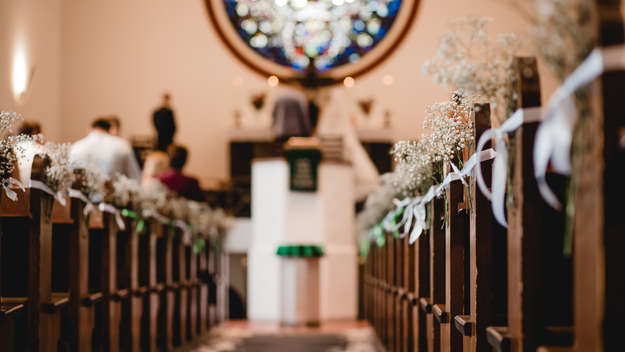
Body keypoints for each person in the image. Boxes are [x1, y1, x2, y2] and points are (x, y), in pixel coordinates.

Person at [70, 118, 142, 180]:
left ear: (89, 129)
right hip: (113, 194)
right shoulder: (121, 145)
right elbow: (134, 177)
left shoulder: (76, 147)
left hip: (82, 194)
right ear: (110, 130)